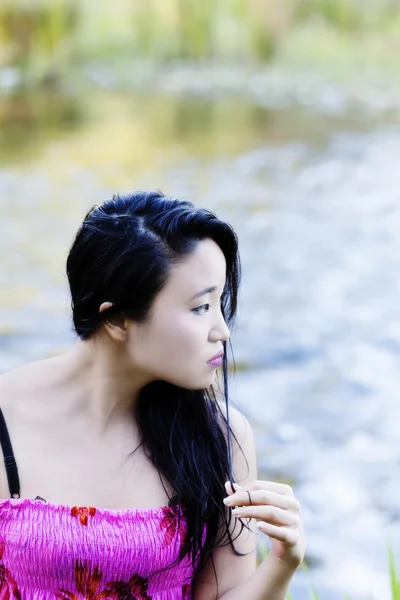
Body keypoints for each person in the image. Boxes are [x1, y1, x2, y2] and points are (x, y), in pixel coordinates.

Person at [0, 190, 305, 600]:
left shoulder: (222, 436)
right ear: (117, 319)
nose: (222, 331)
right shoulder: (6, 418)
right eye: (200, 308)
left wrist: (284, 562)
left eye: (220, 303)